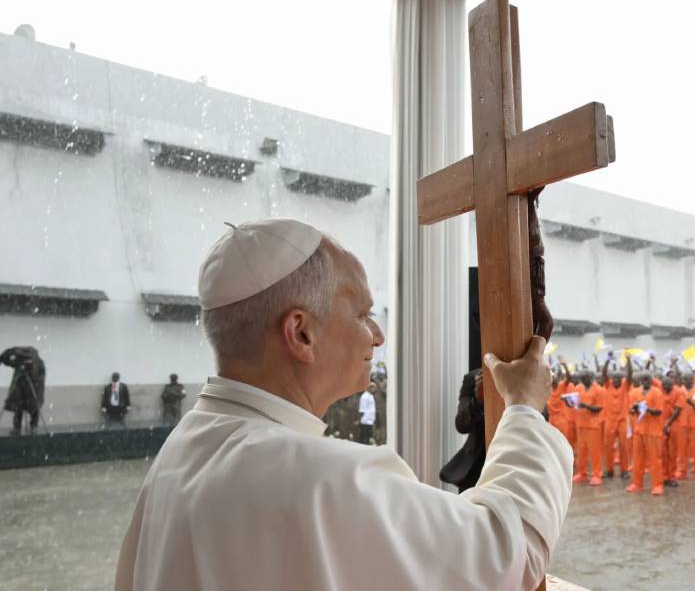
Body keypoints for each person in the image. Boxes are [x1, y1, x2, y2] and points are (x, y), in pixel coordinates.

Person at [116, 218, 573, 590]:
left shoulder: (177, 455)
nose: (377, 335)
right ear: (301, 333)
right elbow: (506, 555)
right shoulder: (320, 477)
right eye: (361, 314)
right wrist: (524, 409)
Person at [440, 369, 487, 492]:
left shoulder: (525, 374)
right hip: (475, 469)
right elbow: (461, 425)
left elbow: (541, 416)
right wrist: (477, 401)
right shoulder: (473, 378)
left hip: (512, 464)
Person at [1, 346, 46, 435]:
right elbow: (8, 360)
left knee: (34, 407)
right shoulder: (18, 359)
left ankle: (33, 426)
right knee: (18, 406)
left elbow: (38, 376)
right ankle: (17, 428)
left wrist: (30, 368)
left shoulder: (38, 363)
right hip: (20, 389)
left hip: (33, 388)